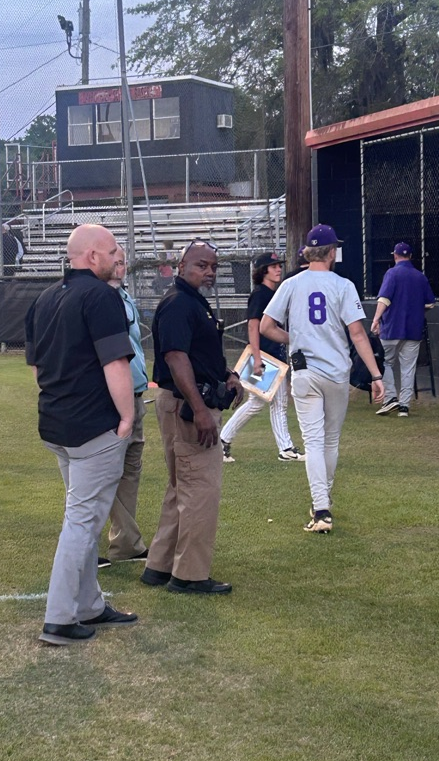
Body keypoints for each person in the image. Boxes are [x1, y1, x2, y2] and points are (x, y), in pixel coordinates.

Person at [31, 224, 138, 646]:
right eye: (112, 251)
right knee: (81, 521)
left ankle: (89, 604)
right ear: (92, 256)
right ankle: (58, 617)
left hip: (57, 422)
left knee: (87, 518)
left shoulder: (44, 298)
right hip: (93, 426)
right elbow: (116, 365)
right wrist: (127, 418)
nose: (118, 257)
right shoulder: (101, 296)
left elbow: (38, 369)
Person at [261, 224, 385, 534]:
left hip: (304, 371)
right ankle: (322, 502)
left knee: (313, 442)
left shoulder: (291, 283)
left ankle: (321, 508)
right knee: (330, 440)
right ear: (331, 253)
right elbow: (357, 333)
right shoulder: (343, 285)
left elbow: (266, 326)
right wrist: (376, 374)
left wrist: (296, 337)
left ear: (308, 252)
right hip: (336, 371)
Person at [142, 241, 243, 593]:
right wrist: (200, 410)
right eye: (202, 265)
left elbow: (196, 354)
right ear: (182, 264)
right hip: (186, 405)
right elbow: (175, 357)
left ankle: (160, 565)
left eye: (214, 266)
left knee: (181, 487)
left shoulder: (191, 301)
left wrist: (226, 373)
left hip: (186, 399)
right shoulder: (178, 302)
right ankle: (189, 576)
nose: (209, 271)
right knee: (201, 489)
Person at [221, 252, 305, 465]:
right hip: (265, 356)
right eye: (273, 266)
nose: (278, 269)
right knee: (267, 403)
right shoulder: (260, 293)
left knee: (263, 403)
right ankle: (284, 448)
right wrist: (257, 358)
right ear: (262, 270)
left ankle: (224, 440)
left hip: (273, 356)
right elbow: (253, 326)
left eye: (279, 265)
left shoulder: (272, 292)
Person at [100, 245, 150, 566]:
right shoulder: (99, 301)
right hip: (113, 397)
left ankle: (123, 545)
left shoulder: (125, 296)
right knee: (104, 472)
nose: (121, 268)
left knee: (131, 469)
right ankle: (127, 539)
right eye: (115, 263)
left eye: (123, 262)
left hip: (136, 391)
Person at [369, 242, 435, 418]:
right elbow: (430, 303)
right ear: (411, 257)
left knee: (385, 362)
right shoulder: (420, 276)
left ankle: (390, 398)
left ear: (395, 256)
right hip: (413, 329)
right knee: (408, 367)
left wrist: (376, 319)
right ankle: (404, 406)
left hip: (391, 327)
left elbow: (384, 299)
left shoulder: (392, 273)